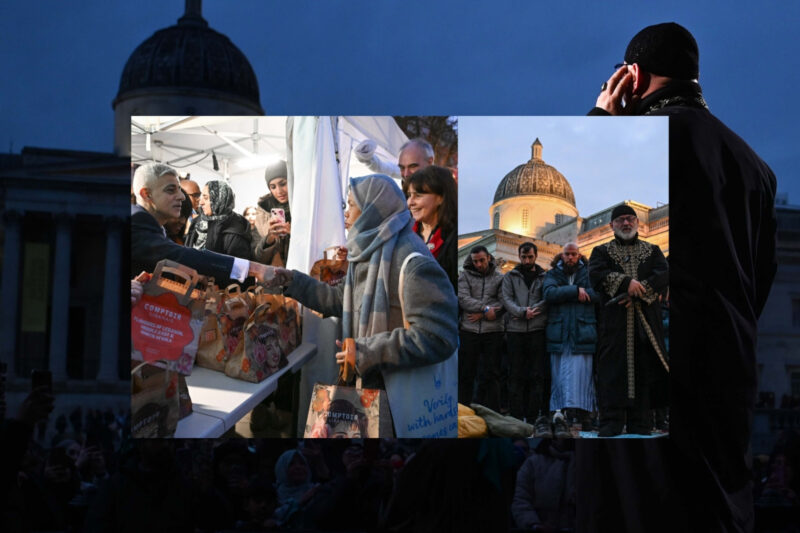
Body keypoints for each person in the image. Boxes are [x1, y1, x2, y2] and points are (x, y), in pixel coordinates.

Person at [261, 174, 458, 435]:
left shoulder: (412, 261)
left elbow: (439, 337)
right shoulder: (368, 251)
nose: (345, 212)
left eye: (351, 204)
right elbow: (341, 300)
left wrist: (367, 352)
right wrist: (292, 282)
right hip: (370, 388)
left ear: (372, 211)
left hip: (399, 401)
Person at [587, 207, 667, 437]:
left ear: (637, 223)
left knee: (644, 368)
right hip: (614, 323)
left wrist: (638, 291)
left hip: (646, 322)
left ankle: (641, 422)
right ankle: (611, 421)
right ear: (612, 225)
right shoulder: (601, 251)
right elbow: (596, 275)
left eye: (630, 219)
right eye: (620, 220)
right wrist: (625, 284)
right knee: (612, 369)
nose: (626, 223)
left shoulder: (652, 251)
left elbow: (663, 275)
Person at [130, 162, 270, 284]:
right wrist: (254, 268)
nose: (181, 197)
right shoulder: (137, 221)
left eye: (179, 189)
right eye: (171, 190)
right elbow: (181, 254)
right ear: (146, 194)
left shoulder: (237, 225)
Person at [542, 243, 598, 439]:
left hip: (582, 330)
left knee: (584, 375)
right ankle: (559, 415)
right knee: (559, 376)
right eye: (567, 254)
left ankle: (585, 414)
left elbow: (597, 293)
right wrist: (575, 291)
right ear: (562, 255)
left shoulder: (590, 272)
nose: (570, 257)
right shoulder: (552, 274)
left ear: (579, 255)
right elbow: (549, 294)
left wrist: (568, 293)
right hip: (560, 331)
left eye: (574, 254)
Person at [500, 242, 548, 425]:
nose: (527, 260)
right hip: (515, 330)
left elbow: (547, 298)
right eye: (524, 257)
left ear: (536, 256)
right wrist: (521, 312)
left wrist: (532, 311)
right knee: (516, 374)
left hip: (536, 329)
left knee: (537, 374)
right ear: (519, 256)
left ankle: (533, 415)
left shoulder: (544, 277)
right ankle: (516, 415)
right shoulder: (510, 276)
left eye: (530, 257)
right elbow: (506, 298)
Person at [457, 245, 505, 410]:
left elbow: (502, 302)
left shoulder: (499, 278)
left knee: (491, 374)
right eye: (475, 261)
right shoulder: (464, 277)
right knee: (466, 373)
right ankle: (463, 410)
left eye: (482, 260)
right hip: (469, 331)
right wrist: (485, 309)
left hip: (492, 332)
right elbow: (463, 298)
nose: (478, 264)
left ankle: (493, 412)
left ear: (489, 258)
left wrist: (482, 314)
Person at [405, 165, 458, 291]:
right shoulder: (406, 234)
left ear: (441, 198)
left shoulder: (454, 237)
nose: (410, 202)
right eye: (409, 195)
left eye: (418, 195)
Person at [185, 180, 251, 260]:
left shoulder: (235, 230)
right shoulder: (197, 222)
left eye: (206, 198)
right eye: (201, 197)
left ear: (219, 199)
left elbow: (237, 267)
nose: (201, 202)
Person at [252, 160, 292, 266]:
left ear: (291, 180)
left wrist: (293, 233)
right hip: (275, 277)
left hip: (303, 274)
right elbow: (258, 258)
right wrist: (269, 239)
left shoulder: (304, 206)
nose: (279, 191)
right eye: (273, 187)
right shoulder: (263, 212)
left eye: (283, 184)